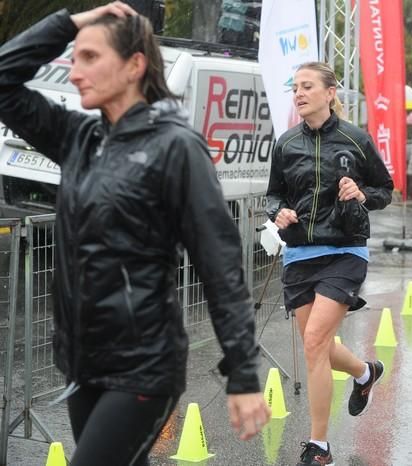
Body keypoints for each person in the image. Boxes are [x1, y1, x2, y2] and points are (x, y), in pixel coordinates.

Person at [0, 4, 270, 465]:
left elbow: (220, 264)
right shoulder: (81, 138)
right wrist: (70, 23)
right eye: (74, 57)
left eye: (89, 58)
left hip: (144, 369)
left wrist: (243, 374)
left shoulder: (176, 147)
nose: (75, 71)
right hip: (85, 365)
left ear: (135, 65)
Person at [266, 62, 394, 465]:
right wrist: (280, 212)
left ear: (330, 92)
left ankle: (319, 445)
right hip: (300, 254)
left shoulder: (355, 139)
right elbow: (273, 196)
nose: (299, 94)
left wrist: (361, 193)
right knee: (314, 345)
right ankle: (365, 372)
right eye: (295, 88)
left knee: (316, 342)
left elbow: (385, 190)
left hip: (344, 251)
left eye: (307, 87)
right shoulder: (286, 143)